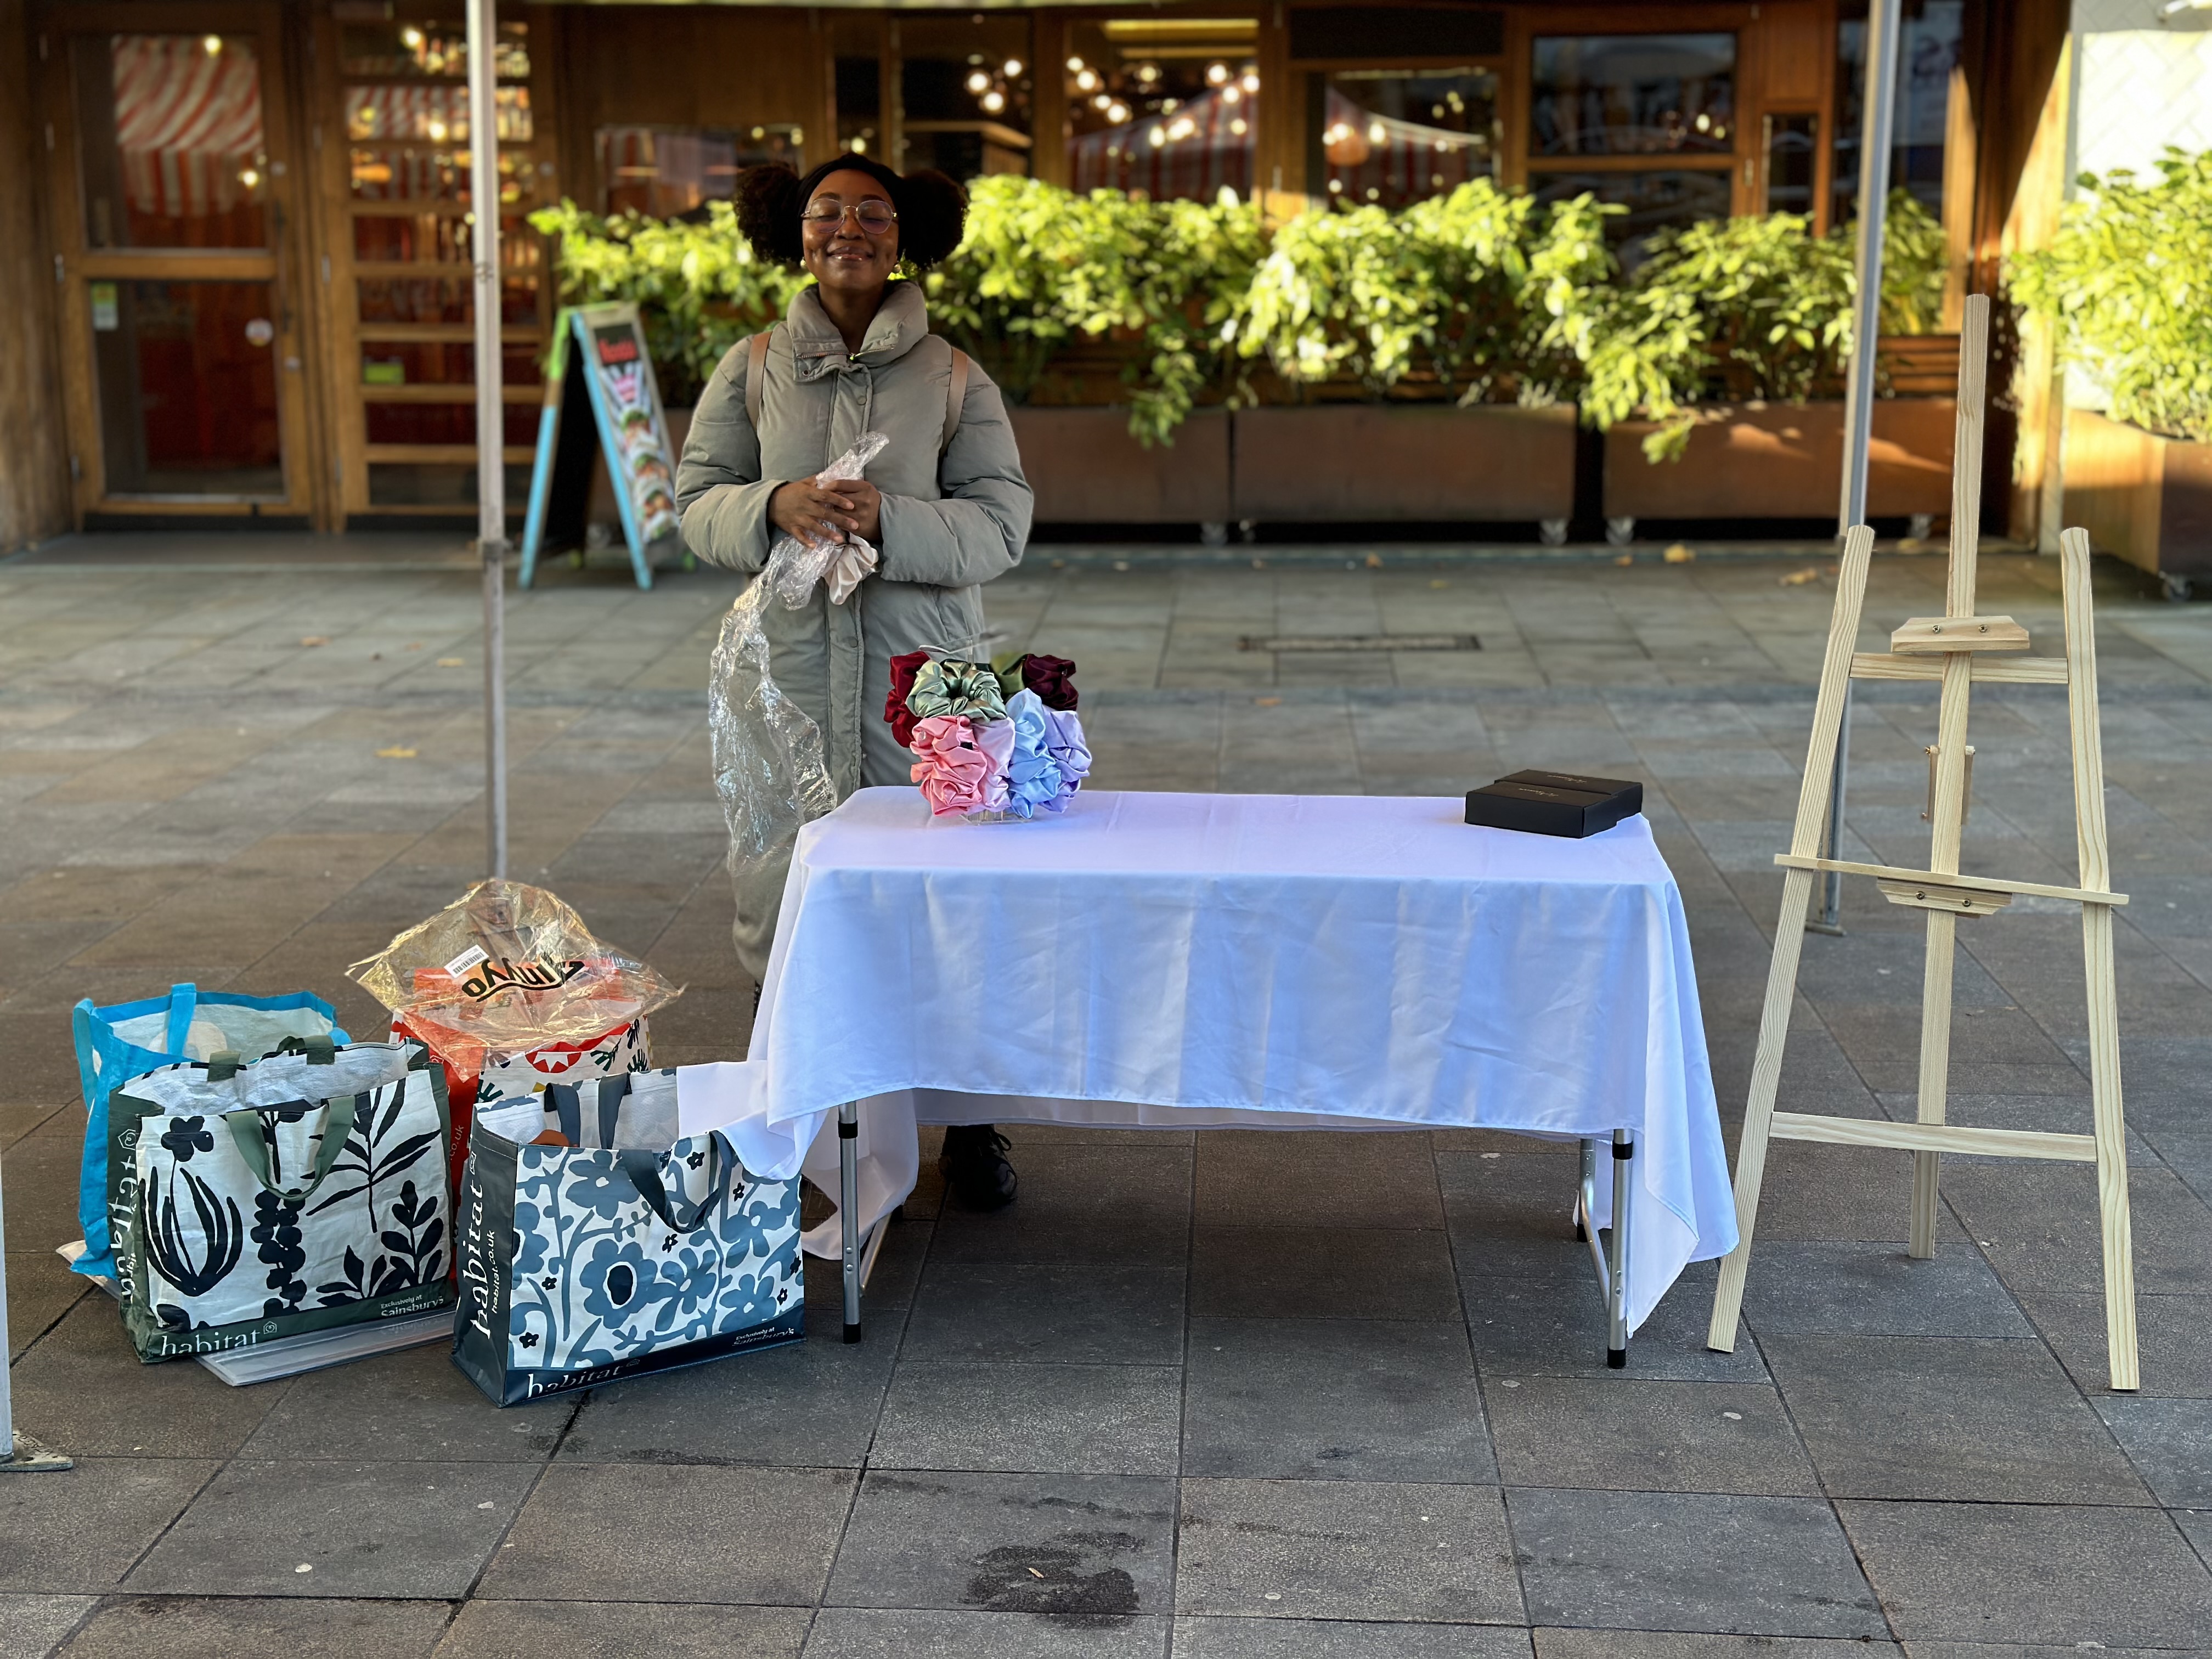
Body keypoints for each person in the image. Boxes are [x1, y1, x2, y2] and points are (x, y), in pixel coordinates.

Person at [676, 153, 1030, 1212]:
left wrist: (893, 518)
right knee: (781, 880)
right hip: (782, 672)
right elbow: (696, 500)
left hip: (931, 674)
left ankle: (970, 1122)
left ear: (903, 232)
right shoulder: (749, 368)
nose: (848, 228)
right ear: (795, 230)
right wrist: (772, 502)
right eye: (827, 210)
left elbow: (1003, 525)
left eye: (871, 212)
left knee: (953, 891)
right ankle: (792, 1112)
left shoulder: (956, 377)